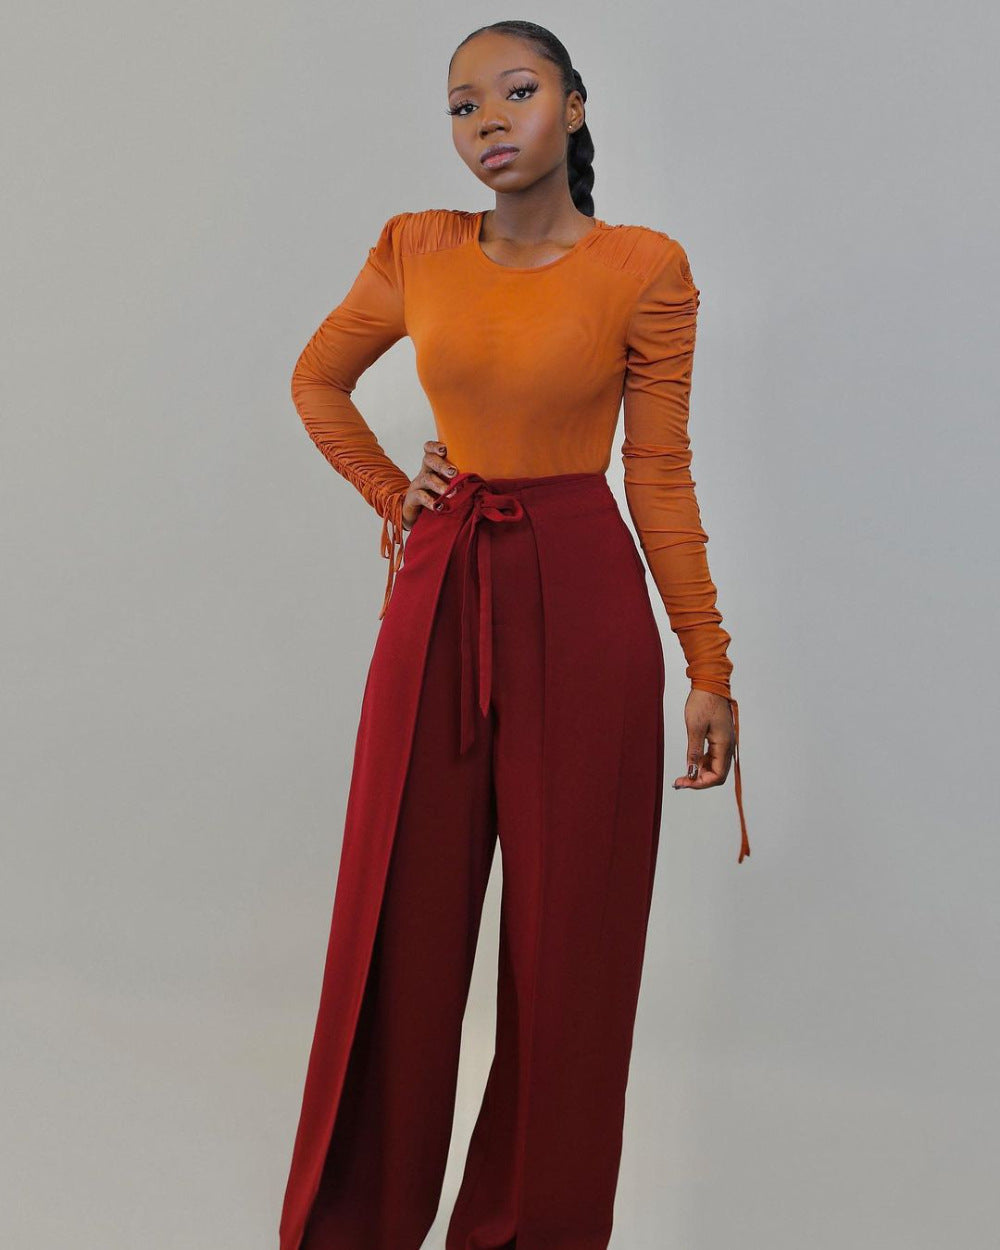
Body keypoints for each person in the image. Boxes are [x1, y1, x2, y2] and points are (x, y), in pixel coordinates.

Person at [278, 19, 751, 1250]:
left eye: (518, 91)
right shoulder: (417, 247)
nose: (488, 120)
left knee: (569, 947)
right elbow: (317, 380)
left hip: (583, 599)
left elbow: (658, 472)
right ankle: (353, 1228)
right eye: (462, 105)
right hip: (438, 589)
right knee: (399, 923)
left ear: (574, 106)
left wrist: (707, 662)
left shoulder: (643, 267)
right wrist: (394, 494)